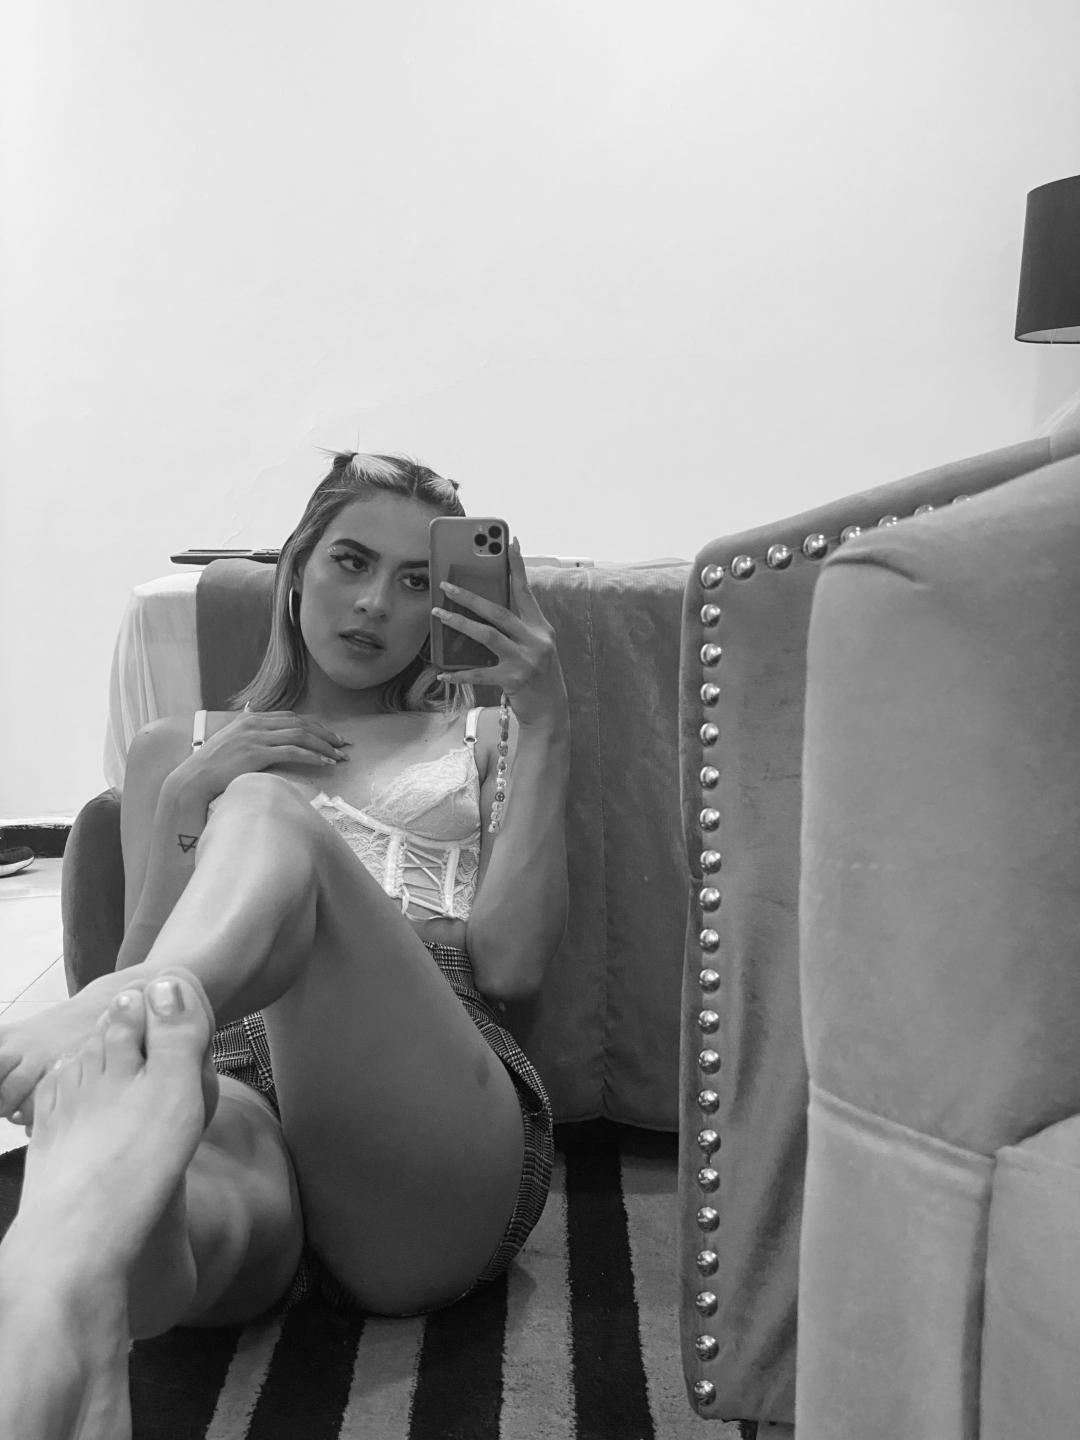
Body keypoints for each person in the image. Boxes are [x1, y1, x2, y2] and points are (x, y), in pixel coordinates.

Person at [0, 452, 570, 1418]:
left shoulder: (486, 737)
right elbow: (147, 969)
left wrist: (548, 717)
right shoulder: (176, 751)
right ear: (298, 566)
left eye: (416, 581)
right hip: (224, 1077)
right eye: (351, 562)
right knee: (170, 1195)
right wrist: (186, 797)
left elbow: (511, 966)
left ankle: (112, 1041)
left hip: (426, 1121)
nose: (375, 603)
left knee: (266, 816)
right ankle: (68, 1299)